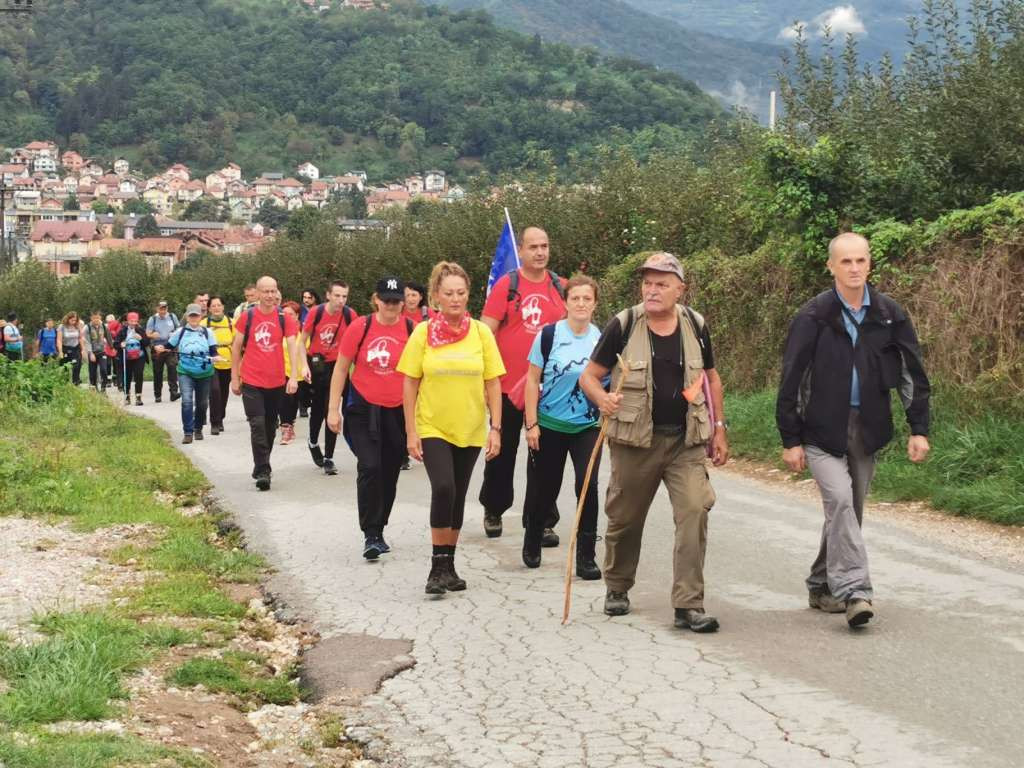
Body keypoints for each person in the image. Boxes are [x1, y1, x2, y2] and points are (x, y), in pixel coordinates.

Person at [777, 232, 931, 629]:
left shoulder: (889, 314)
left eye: (860, 260)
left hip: (869, 427)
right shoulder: (813, 316)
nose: (854, 268)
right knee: (841, 503)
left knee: (849, 512)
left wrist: (919, 429)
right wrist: (790, 439)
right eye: (846, 262)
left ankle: (819, 582)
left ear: (869, 263)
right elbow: (791, 379)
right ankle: (856, 592)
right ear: (831, 266)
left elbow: (913, 374)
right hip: (820, 431)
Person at [579, 252, 729, 633]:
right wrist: (603, 398)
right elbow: (590, 377)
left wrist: (720, 427)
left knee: (695, 511)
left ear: (680, 288)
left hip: (685, 442)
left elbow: (711, 379)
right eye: (647, 282)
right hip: (634, 443)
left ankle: (688, 605)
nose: (652, 289)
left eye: (662, 283)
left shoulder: (695, 325)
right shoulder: (624, 325)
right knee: (625, 519)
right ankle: (617, 586)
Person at [397, 261, 505, 595]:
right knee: (443, 487)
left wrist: (495, 428)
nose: (455, 299)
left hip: (471, 427)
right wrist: (411, 431)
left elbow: (493, 383)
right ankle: (435, 567)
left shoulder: (481, 333)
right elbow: (410, 383)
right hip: (433, 425)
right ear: (436, 297)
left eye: (461, 293)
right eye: (448, 294)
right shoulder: (423, 333)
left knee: (457, 495)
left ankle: (449, 565)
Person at [479, 227, 567, 541]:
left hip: (547, 390)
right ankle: (494, 507)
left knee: (544, 457)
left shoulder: (560, 286)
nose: (540, 252)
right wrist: (485, 378)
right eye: (533, 247)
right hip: (506, 386)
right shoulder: (508, 285)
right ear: (522, 249)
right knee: (502, 453)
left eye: (544, 246)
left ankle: (541, 520)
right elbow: (485, 333)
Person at [521, 275, 605, 579]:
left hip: (587, 425)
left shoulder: (602, 339)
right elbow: (532, 380)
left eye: (587, 298)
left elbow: (607, 382)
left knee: (588, 485)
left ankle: (586, 556)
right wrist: (531, 424)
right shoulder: (548, 335)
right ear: (566, 302)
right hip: (550, 424)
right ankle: (532, 538)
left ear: (595, 303)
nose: (581, 304)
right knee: (544, 487)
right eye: (575, 298)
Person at [328, 277, 415, 560]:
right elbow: (341, 369)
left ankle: (380, 527)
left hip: (398, 412)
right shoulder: (361, 327)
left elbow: (420, 377)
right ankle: (370, 533)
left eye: (396, 300)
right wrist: (332, 409)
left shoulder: (412, 330)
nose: (391, 305)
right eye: (386, 299)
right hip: (363, 409)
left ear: (403, 302)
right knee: (370, 466)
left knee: (389, 472)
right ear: (376, 299)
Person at [230, 275, 303, 491]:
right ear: (258, 293)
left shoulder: (285, 319)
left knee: (270, 425)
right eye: (266, 291)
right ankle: (263, 470)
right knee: (257, 423)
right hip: (251, 379)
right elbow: (236, 348)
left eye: (273, 291)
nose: (270, 295)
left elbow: (293, 347)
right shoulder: (247, 317)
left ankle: (262, 463)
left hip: (276, 381)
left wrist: (293, 377)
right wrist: (235, 377)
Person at [301, 281, 356, 476]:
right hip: (317, 365)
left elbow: (357, 341)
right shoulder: (316, 313)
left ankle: (329, 458)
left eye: (344, 296)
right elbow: (302, 341)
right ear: (328, 295)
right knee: (317, 410)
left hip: (338, 367)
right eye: (337, 296)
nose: (341, 300)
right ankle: (313, 441)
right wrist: (303, 365)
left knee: (331, 409)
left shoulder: (349, 315)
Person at [163, 304, 222, 443]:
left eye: (197, 315)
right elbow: (168, 347)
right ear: (187, 317)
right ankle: (188, 432)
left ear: (201, 316)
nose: (194, 318)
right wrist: (161, 348)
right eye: (191, 315)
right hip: (185, 372)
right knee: (187, 401)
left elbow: (213, 352)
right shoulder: (180, 332)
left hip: (205, 373)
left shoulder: (208, 332)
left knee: (202, 404)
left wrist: (216, 357)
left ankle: (198, 428)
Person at [204, 297, 234, 435]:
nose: (216, 308)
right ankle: (215, 423)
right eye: (213, 306)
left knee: (224, 392)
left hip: (227, 361)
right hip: (211, 361)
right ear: (209, 308)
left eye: (219, 305)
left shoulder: (231, 323)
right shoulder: (204, 324)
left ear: (223, 307)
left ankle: (220, 417)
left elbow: (237, 342)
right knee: (214, 391)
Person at [277, 300, 303, 446]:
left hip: (302, 375)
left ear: (297, 316)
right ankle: (285, 428)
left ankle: (290, 424)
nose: (287, 317)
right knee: (285, 401)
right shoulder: (279, 333)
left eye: (290, 314)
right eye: (284, 314)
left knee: (294, 403)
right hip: (283, 373)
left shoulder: (303, 333)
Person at [146, 300, 181, 403]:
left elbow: (179, 329)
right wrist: (153, 335)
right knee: (158, 372)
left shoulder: (172, 317)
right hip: (157, 348)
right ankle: (158, 395)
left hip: (170, 347)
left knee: (172, 368)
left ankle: (173, 393)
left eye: (165, 308)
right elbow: (147, 333)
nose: (163, 310)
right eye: (161, 308)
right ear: (157, 309)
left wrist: (174, 333)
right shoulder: (152, 319)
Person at [116, 312, 150, 405]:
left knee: (139, 375)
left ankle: (138, 397)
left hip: (140, 356)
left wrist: (141, 339)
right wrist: (121, 344)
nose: (133, 323)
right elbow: (116, 343)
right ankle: (127, 396)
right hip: (127, 357)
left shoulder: (140, 330)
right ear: (127, 321)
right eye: (131, 321)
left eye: (135, 321)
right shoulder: (123, 331)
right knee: (127, 376)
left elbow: (147, 343)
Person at [82, 310, 113, 391]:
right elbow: (87, 342)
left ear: (100, 318)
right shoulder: (87, 328)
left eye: (98, 318)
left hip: (102, 351)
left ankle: (103, 388)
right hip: (92, 352)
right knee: (92, 372)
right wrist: (91, 353)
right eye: (94, 318)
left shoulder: (103, 326)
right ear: (91, 318)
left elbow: (108, 337)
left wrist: (112, 347)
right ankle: (94, 388)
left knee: (104, 370)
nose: (96, 320)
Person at [57, 312, 86, 385]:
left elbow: (80, 338)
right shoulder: (62, 327)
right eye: (72, 320)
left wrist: (83, 349)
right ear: (68, 319)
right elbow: (59, 340)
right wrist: (60, 351)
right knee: (65, 367)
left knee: (76, 365)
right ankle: (65, 384)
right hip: (65, 348)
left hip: (76, 348)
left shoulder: (77, 326)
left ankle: (76, 382)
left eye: (75, 320)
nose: (74, 322)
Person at [105, 314, 122, 389]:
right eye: (108, 322)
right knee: (108, 364)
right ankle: (108, 379)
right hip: (107, 346)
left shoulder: (118, 326)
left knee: (115, 363)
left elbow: (118, 335)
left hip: (115, 346)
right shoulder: (105, 326)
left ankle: (115, 379)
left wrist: (113, 333)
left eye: (111, 322)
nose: (110, 323)